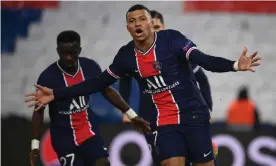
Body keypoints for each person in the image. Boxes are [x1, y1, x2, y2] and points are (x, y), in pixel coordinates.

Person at [25, 4, 261, 166]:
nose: (137, 23)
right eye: (131, 21)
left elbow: (203, 61)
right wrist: (56, 94)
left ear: (151, 23)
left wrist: (234, 65)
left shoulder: (173, 40)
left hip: (193, 116)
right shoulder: (126, 56)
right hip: (162, 122)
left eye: (142, 19)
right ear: (128, 28)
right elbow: (99, 83)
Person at [28, 30, 150, 166]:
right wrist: (35, 144)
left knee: (103, 163)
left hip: (88, 131)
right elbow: (38, 111)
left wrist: (131, 114)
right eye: (64, 53)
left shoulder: (90, 68)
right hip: (64, 138)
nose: (68, 57)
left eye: (72, 53)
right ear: (58, 51)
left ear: (79, 50)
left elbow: (108, 92)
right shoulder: (47, 78)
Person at [119, 10, 216, 166]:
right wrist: (126, 110)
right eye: (153, 27)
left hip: (183, 113)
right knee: (163, 159)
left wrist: (208, 107)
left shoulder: (176, 52)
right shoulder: (134, 55)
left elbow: (202, 80)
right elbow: (124, 79)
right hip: (150, 114)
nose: (154, 31)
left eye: (157, 27)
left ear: (163, 27)